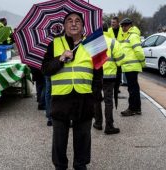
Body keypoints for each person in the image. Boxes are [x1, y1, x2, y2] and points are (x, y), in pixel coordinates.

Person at [41, 11, 102, 169]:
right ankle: (60, 167)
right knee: (59, 141)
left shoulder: (92, 44)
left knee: (83, 138)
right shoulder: (54, 44)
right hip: (61, 99)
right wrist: (60, 59)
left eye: (77, 21)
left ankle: (81, 165)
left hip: (84, 98)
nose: (73, 23)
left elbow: (98, 73)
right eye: (69, 21)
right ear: (64, 25)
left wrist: (94, 96)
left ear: (82, 26)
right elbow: (45, 69)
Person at [93, 34, 128, 135]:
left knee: (96, 99)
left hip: (96, 76)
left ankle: (98, 123)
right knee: (108, 100)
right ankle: (109, 126)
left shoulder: (93, 42)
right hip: (109, 76)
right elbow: (121, 59)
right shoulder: (113, 42)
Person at [119, 18, 145, 116]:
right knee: (134, 88)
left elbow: (139, 51)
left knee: (132, 89)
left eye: (124, 26)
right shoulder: (128, 35)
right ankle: (137, 108)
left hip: (131, 66)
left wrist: (143, 63)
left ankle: (132, 109)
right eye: (122, 26)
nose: (123, 28)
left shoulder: (133, 36)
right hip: (129, 66)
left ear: (129, 25)